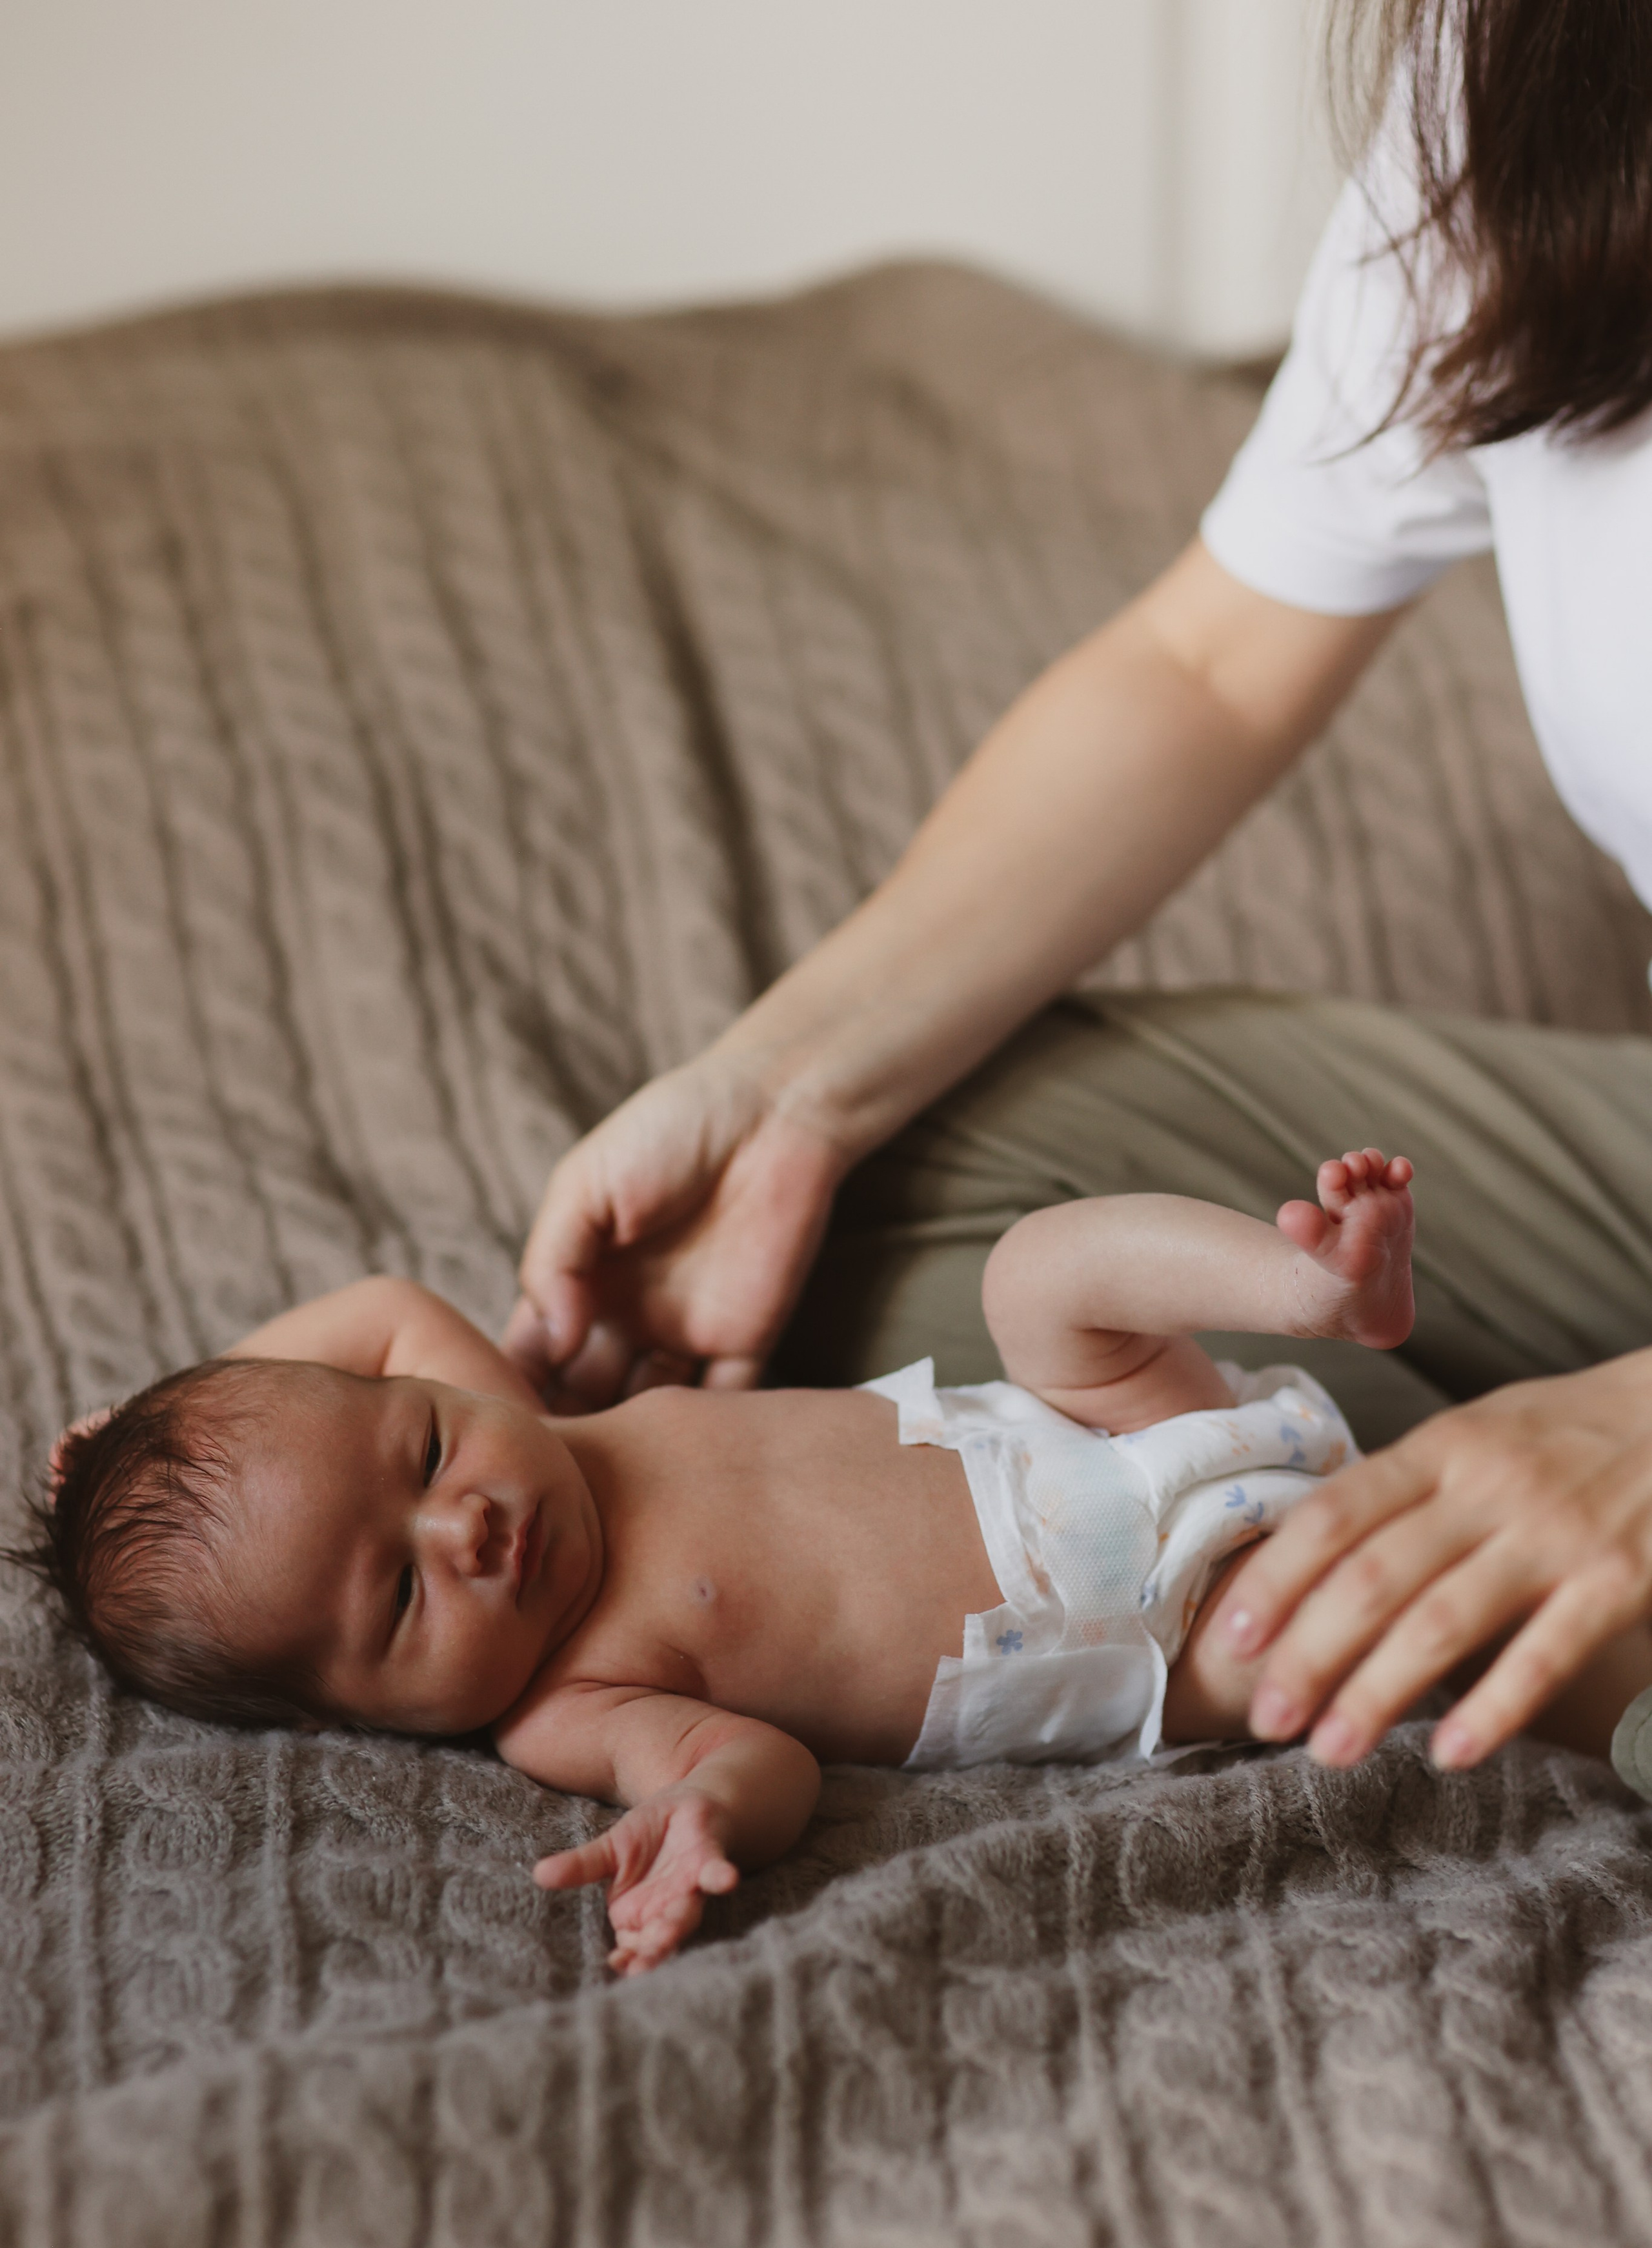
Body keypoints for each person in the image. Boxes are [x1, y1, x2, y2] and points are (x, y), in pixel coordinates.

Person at [502, 0, 1652, 1799]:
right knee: (895, 1182)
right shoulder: (1538, 72)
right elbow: (1213, 657)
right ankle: (1416, 1551)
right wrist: (790, 1089)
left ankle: (1525, 1610)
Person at [45, 1152, 1635, 1976]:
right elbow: (752, 1763)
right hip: (1157, 1629)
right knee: (1405, 1633)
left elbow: (380, 1308)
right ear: (351, 1719)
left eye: (423, 1456)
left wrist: (162, 1420)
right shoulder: (561, 1700)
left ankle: (1316, 1294)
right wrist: (692, 1821)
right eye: (395, 1599)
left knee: (1042, 1269)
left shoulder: (541, 1422)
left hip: (1104, 1421)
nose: (462, 1527)